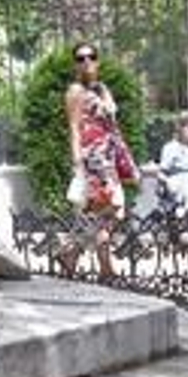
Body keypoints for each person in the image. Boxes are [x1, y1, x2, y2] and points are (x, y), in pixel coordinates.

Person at [63, 43, 139, 276]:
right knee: (106, 207)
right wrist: (77, 163)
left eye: (91, 56)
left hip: (108, 156)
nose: (86, 61)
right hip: (92, 159)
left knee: (106, 210)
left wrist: (123, 157)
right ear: (75, 65)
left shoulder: (102, 89)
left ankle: (71, 255)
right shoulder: (75, 91)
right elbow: (74, 128)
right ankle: (102, 265)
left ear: (98, 61)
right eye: (80, 58)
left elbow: (112, 124)